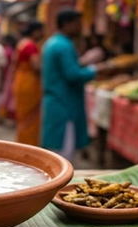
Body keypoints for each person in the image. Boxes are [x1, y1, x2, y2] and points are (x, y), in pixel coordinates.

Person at [41, 9, 112, 161]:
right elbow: (72, 74)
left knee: (57, 153)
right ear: (67, 24)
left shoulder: (54, 42)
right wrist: (97, 69)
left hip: (57, 101)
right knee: (64, 155)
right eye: (77, 24)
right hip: (64, 103)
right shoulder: (63, 45)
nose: (81, 27)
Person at [13, 22, 45, 145]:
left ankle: (24, 141)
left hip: (22, 80)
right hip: (29, 83)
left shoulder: (22, 43)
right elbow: (36, 65)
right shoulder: (30, 45)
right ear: (35, 31)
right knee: (31, 116)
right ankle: (29, 144)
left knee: (24, 116)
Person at [0, 35, 18, 124]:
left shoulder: (7, 51)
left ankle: (3, 116)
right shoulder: (14, 50)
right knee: (10, 97)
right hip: (12, 75)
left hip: (9, 75)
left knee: (6, 96)